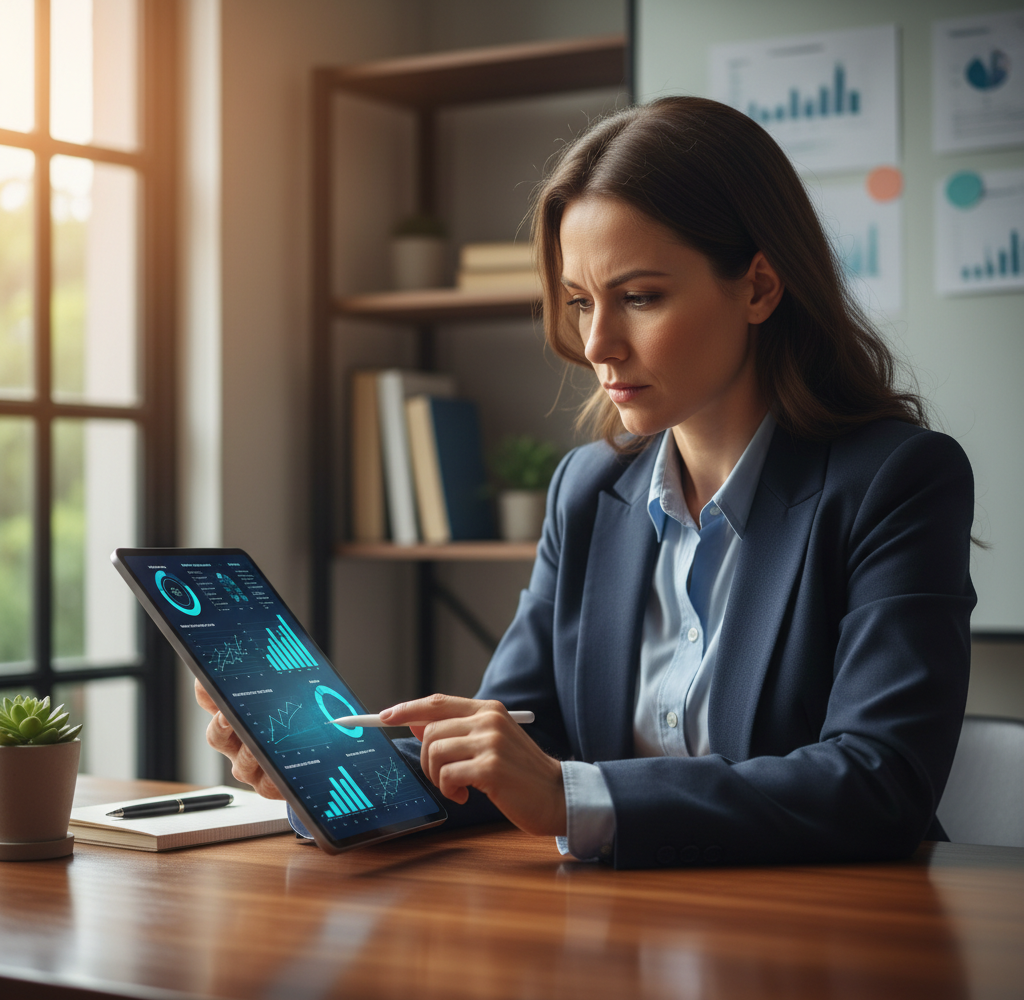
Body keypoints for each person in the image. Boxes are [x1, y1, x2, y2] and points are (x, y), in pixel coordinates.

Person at [197, 96, 976, 869]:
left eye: (640, 297)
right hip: (614, 945)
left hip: (833, 951)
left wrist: (574, 797)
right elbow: (517, 755)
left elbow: (880, 781)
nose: (598, 344)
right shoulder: (588, 489)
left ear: (760, 287)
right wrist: (324, 776)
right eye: (579, 302)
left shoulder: (897, 481)